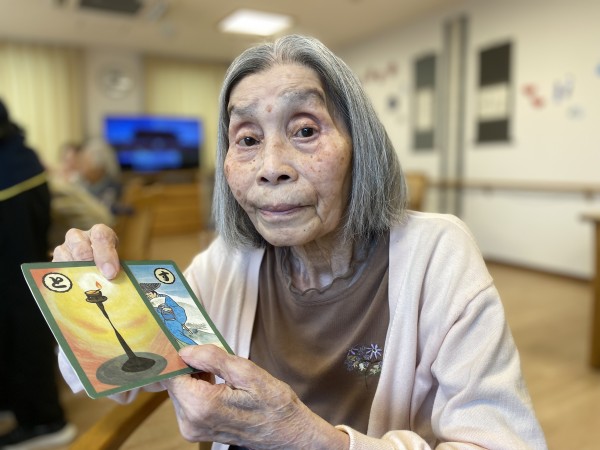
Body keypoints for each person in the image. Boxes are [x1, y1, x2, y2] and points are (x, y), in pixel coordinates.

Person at [52, 35, 547, 449]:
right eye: (247, 139)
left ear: (360, 146)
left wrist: (310, 439)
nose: (271, 167)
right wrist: (88, 296)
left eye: (305, 130)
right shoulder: (226, 263)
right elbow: (111, 380)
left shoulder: (438, 253)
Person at [0, 99, 76, 448]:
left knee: (21, 317)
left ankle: (44, 420)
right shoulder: (23, 158)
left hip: (17, 230)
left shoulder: (12, 170)